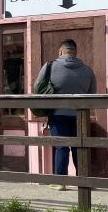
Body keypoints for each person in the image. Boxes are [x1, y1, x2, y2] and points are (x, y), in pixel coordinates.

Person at [34, 39, 97, 190]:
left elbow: (37, 87)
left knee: (61, 147)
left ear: (61, 51)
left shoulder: (49, 66)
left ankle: (60, 182)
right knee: (79, 148)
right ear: (75, 53)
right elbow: (92, 95)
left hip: (57, 113)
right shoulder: (88, 71)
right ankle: (83, 182)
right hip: (79, 116)